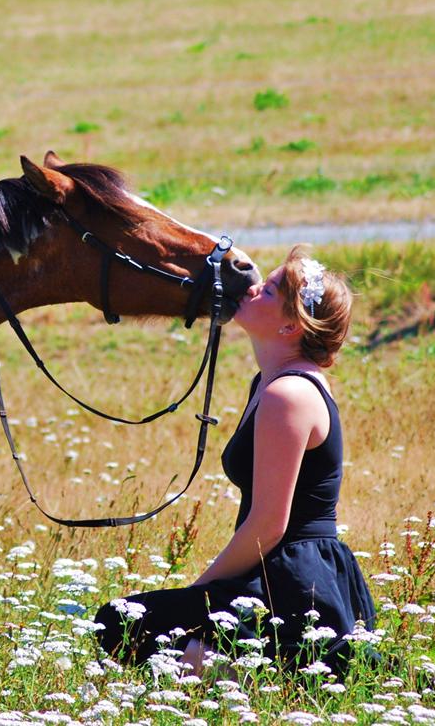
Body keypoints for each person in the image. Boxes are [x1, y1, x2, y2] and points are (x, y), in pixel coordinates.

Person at [93, 245, 375, 677]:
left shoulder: (288, 395)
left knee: (124, 625)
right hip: (276, 568)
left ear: (290, 325)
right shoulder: (269, 382)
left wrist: (201, 590)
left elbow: (269, 525)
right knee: (132, 626)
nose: (255, 286)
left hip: (296, 583)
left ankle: (265, 683)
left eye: (271, 289)